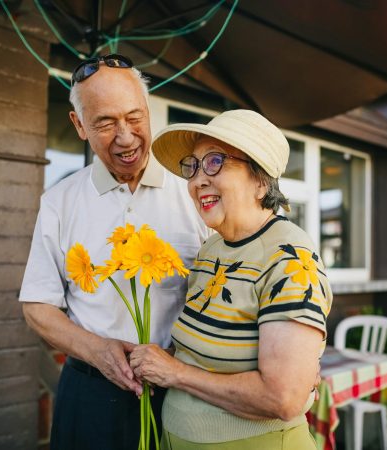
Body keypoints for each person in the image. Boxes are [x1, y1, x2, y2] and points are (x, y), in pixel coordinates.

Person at [19, 54, 209, 450]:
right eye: (105, 122)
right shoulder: (59, 201)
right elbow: (37, 306)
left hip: (184, 392)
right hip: (90, 394)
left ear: (149, 109)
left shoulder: (196, 191)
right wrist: (98, 351)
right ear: (79, 126)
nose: (125, 137)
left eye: (135, 117)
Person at [129, 109, 333, 450]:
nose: (197, 181)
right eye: (192, 166)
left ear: (260, 180)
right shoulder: (212, 247)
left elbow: (283, 398)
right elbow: (204, 351)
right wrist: (155, 358)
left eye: (215, 162)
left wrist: (174, 373)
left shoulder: (289, 257)